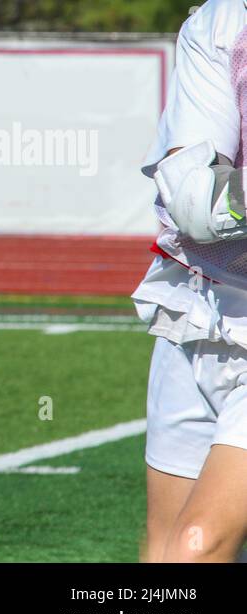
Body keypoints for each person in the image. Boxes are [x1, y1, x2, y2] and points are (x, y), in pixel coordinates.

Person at [134, 0, 247, 562]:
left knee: (194, 549)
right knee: (162, 555)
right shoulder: (222, 22)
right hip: (196, 307)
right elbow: (192, 198)